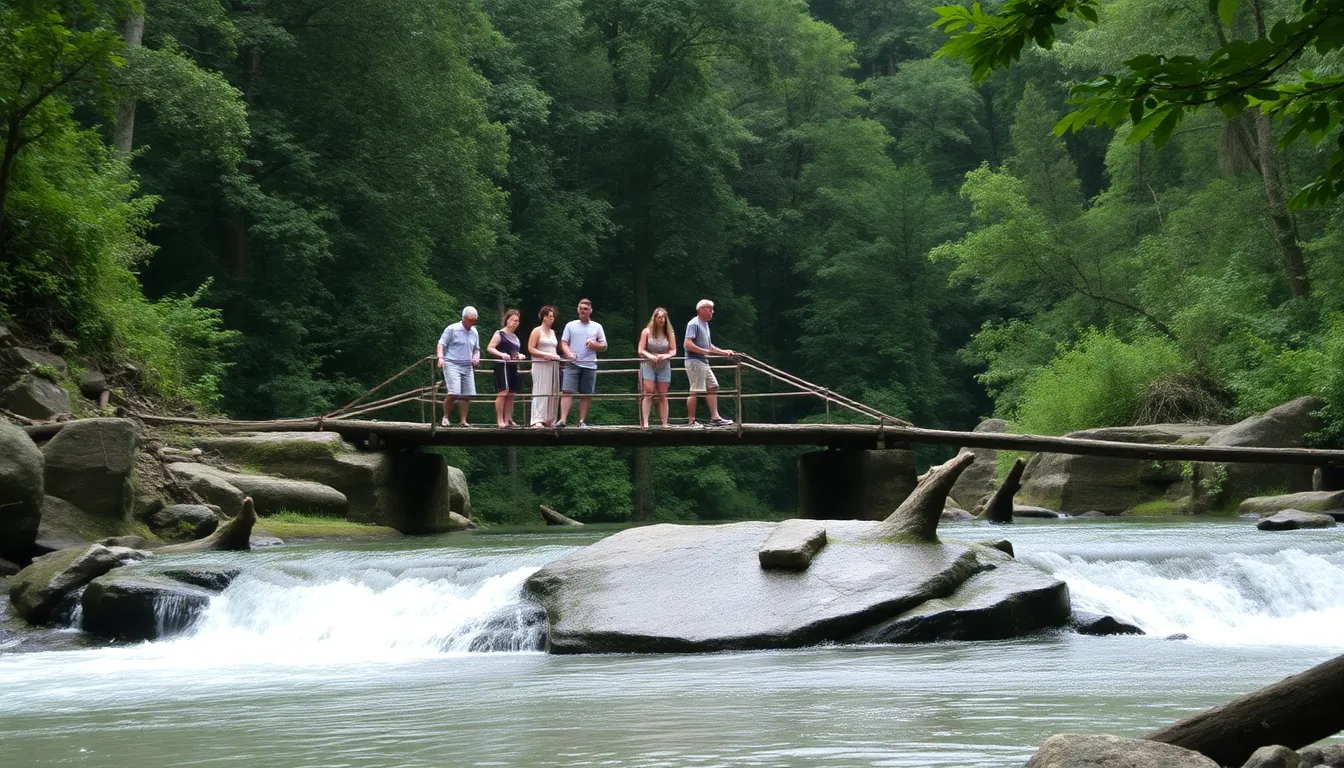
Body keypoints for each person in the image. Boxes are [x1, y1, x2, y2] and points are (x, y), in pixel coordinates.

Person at [683, 298, 734, 427]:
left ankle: (715, 418)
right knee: (695, 390)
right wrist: (704, 351)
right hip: (694, 361)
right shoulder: (693, 323)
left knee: (712, 386)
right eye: (710, 309)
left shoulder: (705, 324)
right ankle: (691, 420)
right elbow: (687, 344)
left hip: (703, 361)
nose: (712, 311)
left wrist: (724, 352)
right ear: (701, 310)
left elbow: (709, 346)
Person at [558, 298, 607, 428]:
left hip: (590, 364)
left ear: (590, 311)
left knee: (586, 394)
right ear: (577, 309)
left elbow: (604, 346)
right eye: (581, 308)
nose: (583, 311)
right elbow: (563, 343)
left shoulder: (597, 327)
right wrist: (569, 354)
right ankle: (562, 420)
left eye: (585, 309)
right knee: (567, 391)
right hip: (572, 363)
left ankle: (582, 422)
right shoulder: (570, 325)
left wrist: (594, 344)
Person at [437, 306, 481, 427]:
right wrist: (440, 358)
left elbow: (477, 349)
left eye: (475, 320)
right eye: (471, 320)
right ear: (464, 318)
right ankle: (445, 417)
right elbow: (441, 344)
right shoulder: (452, 329)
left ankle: (463, 420)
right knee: (454, 392)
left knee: (467, 394)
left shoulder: (474, 331)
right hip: (452, 363)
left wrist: (476, 357)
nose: (473, 322)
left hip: (467, 365)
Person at [637, 307, 677, 428]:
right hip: (648, 364)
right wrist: (650, 355)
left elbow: (673, 350)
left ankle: (665, 423)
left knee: (663, 394)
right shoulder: (646, 332)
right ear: (654, 318)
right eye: (658, 317)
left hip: (664, 365)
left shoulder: (669, 333)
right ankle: (645, 423)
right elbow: (641, 350)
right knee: (648, 392)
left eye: (663, 317)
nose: (661, 319)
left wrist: (665, 356)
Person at [487, 309, 527, 428]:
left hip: (512, 366)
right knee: (503, 391)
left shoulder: (515, 337)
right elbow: (490, 348)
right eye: (513, 320)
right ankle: (500, 420)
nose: (515, 323)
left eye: (517, 321)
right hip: (501, 366)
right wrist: (501, 354)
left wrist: (519, 355)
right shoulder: (500, 333)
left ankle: (508, 418)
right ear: (507, 320)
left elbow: (514, 352)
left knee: (512, 393)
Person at [527, 305, 561, 428]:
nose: (551, 319)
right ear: (543, 317)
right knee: (540, 389)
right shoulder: (537, 331)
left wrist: (555, 356)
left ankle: (550, 418)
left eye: (553, 317)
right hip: (540, 364)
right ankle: (537, 419)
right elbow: (531, 349)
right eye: (549, 316)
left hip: (552, 364)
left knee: (552, 390)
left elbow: (553, 348)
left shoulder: (553, 332)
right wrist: (546, 355)